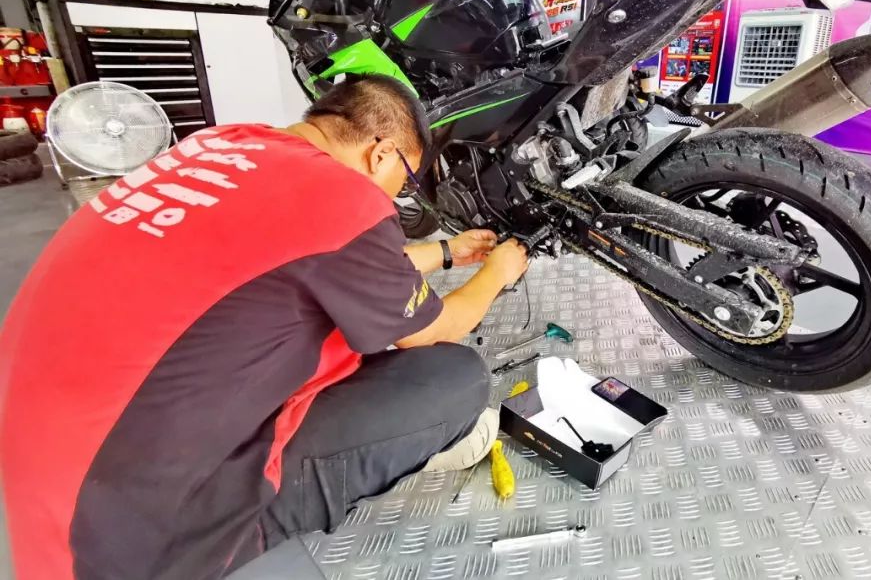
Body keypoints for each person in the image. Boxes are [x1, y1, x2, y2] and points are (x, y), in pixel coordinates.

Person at [0, 73, 529, 580]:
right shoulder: (342, 200)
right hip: (138, 544)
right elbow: (434, 329)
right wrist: (498, 273)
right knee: (455, 376)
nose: (397, 196)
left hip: (48, 473)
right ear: (382, 153)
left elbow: (320, 262)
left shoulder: (220, 146)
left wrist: (444, 253)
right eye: (406, 181)